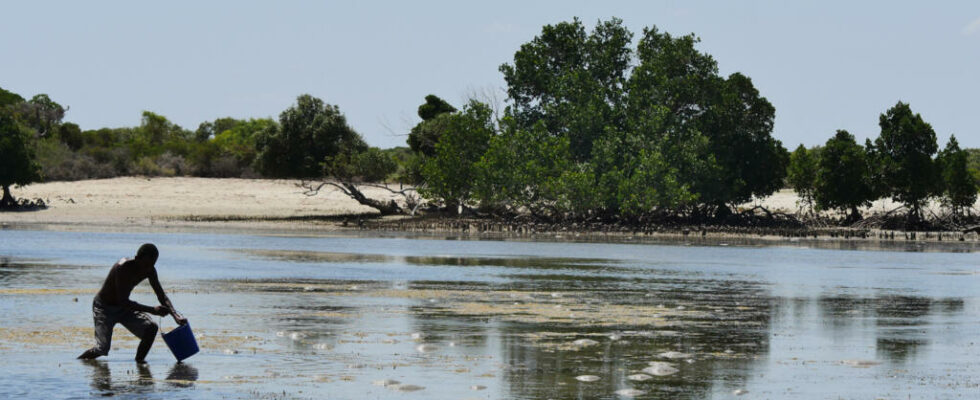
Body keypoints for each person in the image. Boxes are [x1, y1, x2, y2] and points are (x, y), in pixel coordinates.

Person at [78, 243, 187, 363]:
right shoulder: (122, 267)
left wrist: (175, 315)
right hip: (104, 308)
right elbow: (123, 301)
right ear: (137, 258)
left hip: (124, 308)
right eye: (145, 265)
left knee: (151, 328)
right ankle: (78, 362)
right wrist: (153, 310)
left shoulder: (150, 270)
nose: (147, 268)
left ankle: (139, 363)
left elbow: (161, 295)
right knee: (102, 349)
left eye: (152, 265)